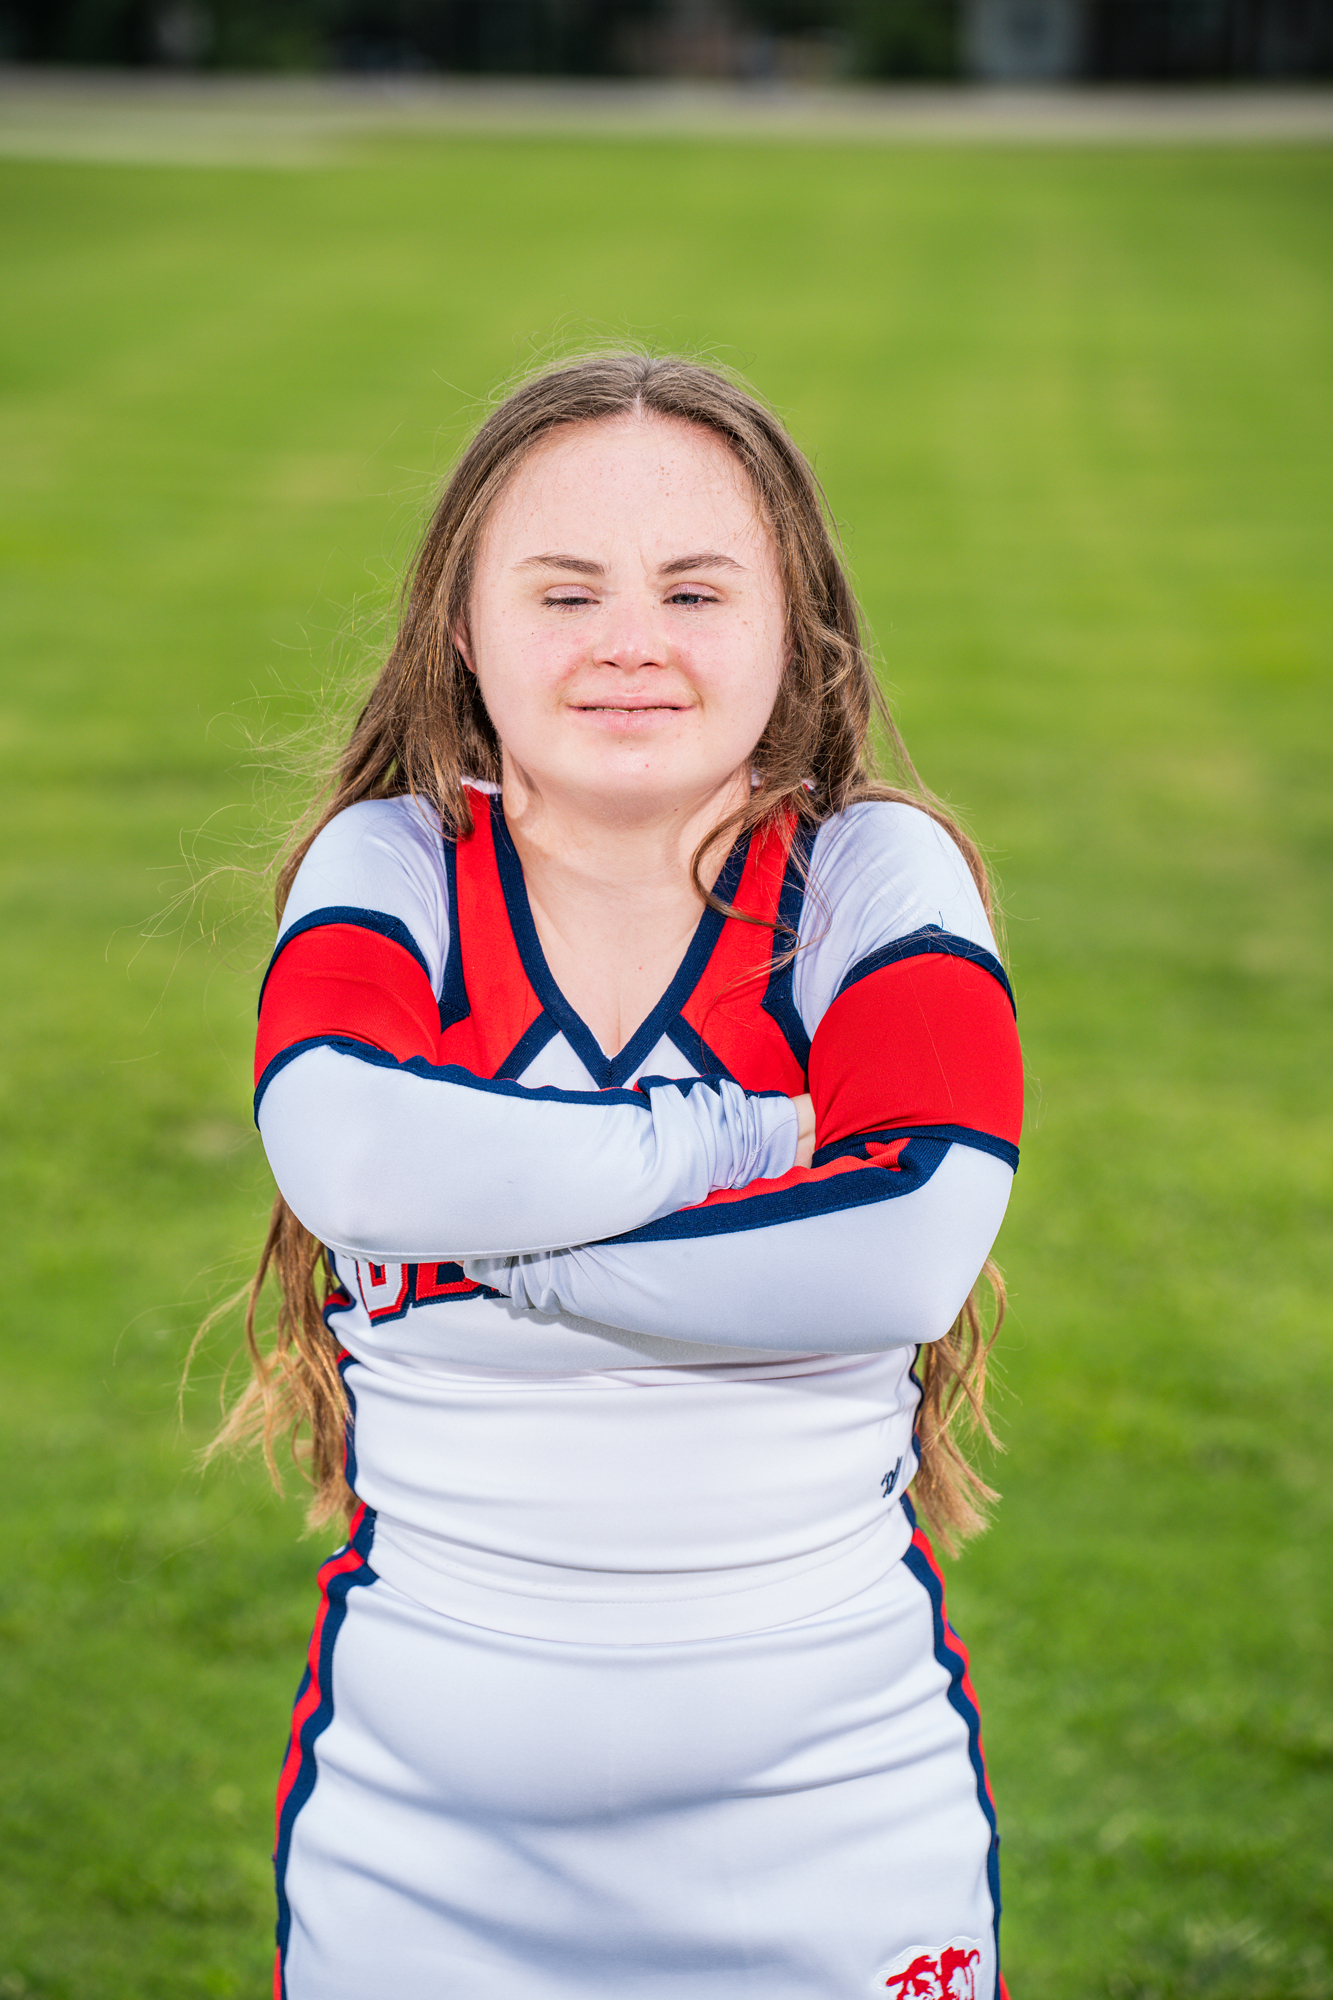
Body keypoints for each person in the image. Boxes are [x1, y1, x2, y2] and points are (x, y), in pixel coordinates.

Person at [223, 353, 1023, 2000]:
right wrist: (733, 1140)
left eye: (694, 591)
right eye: (565, 591)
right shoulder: (395, 870)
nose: (629, 642)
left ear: (795, 627)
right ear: (464, 628)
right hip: (419, 1846)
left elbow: (904, 1247)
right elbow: (347, 1152)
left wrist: (484, 1241)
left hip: (836, 1829)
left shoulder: (871, 876)